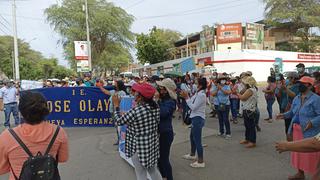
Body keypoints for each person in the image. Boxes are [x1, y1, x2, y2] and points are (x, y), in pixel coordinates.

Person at [0, 91, 69, 180]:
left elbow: (2, 168)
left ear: (21, 111)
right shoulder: (58, 132)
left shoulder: (7, 136)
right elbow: (63, 158)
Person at [112, 83, 162, 180]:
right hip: (152, 143)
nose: (133, 93)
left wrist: (116, 106)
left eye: (136, 92)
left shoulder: (136, 111)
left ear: (140, 97)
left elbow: (119, 121)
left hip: (138, 146)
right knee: (153, 170)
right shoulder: (155, 107)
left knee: (141, 173)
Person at [276, 76, 320, 180]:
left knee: (311, 155)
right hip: (296, 130)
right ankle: (300, 174)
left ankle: (316, 175)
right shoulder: (297, 97)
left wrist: (312, 122)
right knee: (298, 153)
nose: (300, 85)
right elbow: (292, 112)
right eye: (299, 82)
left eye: (303, 83)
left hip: (310, 132)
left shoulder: (316, 99)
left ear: (309, 86)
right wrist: (283, 115)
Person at [181, 77, 207, 168]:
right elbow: (191, 102)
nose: (194, 84)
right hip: (195, 117)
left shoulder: (201, 95)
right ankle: (192, 154)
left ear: (200, 85)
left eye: (195, 83)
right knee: (192, 137)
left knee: (197, 140)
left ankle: (200, 161)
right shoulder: (198, 93)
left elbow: (193, 107)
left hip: (198, 118)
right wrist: (187, 97)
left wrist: (187, 98)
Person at [156, 78, 177, 180]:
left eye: (162, 89)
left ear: (167, 90)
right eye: (160, 88)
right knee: (159, 158)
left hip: (166, 133)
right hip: (160, 132)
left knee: (164, 159)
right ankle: (163, 176)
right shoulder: (163, 100)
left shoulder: (170, 101)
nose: (160, 91)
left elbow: (163, 113)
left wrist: (157, 102)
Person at [100, 80, 127, 145]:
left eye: (115, 84)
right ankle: (119, 140)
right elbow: (105, 91)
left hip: (118, 111)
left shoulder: (122, 93)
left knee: (119, 127)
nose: (114, 84)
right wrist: (100, 86)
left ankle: (122, 141)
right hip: (112, 111)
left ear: (119, 85)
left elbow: (121, 101)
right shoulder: (114, 91)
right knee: (117, 127)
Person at [237, 76, 258, 148]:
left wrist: (237, 94)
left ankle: (252, 141)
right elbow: (242, 92)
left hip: (249, 109)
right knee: (247, 125)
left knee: (250, 126)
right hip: (247, 109)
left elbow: (243, 98)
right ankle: (247, 139)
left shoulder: (251, 90)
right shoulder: (249, 89)